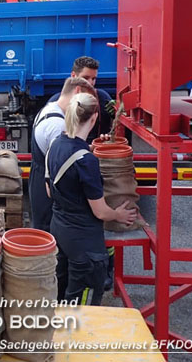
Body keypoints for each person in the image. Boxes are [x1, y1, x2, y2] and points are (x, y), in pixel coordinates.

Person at [45, 93, 136, 306]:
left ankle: (59, 336)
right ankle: (76, 337)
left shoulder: (55, 145)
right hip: (84, 241)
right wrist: (119, 214)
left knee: (62, 290)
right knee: (82, 304)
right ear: (94, 118)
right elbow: (100, 212)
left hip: (60, 231)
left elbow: (50, 191)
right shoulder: (87, 161)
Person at [30, 77, 96, 233]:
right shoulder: (58, 125)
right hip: (48, 187)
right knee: (50, 237)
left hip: (39, 175)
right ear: (77, 92)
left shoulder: (50, 108)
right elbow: (63, 164)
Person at [48, 56, 115, 143]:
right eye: (85, 78)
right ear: (73, 75)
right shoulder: (57, 102)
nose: (90, 83)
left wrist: (109, 136)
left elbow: (115, 127)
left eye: (93, 79)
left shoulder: (103, 98)